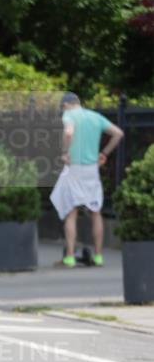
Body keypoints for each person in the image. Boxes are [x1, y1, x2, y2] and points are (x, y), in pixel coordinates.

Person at [50, 92, 124, 267]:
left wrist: (64, 153)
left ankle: (69, 257)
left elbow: (68, 133)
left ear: (66, 105)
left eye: (62, 108)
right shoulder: (95, 116)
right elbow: (118, 134)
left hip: (75, 168)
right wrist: (104, 153)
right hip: (92, 169)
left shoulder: (69, 115)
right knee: (95, 211)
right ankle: (98, 256)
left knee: (71, 212)